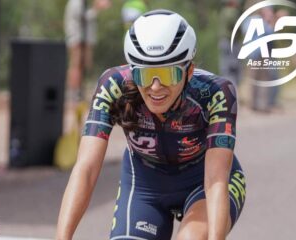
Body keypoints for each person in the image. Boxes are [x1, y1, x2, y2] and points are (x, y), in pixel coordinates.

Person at [56, 10, 246, 240]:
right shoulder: (113, 85)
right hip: (145, 186)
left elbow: (215, 180)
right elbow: (85, 169)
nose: (155, 87)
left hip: (203, 183)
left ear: (189, 72)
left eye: (168, 74)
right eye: (145, 75)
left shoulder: (216, 93)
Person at [64, 0, 111, 102]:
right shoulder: (77, 2)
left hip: (81, 39)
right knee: (76, 66)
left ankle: (78, 93)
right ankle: (73, 94)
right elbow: (82, 18)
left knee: (81, 66)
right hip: (77, 39)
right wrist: (97, 8)